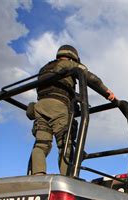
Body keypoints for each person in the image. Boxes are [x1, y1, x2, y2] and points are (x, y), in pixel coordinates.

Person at [29, 45, 116, 175]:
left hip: (40, 106)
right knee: (65, 144)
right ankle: (67, 177)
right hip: (58, 106)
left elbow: (58, 87)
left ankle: (37, 175)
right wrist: (107, 92)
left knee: (41, 144)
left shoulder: (45, 68)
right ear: (72, 57)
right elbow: (91, 78)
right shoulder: (69, 65)